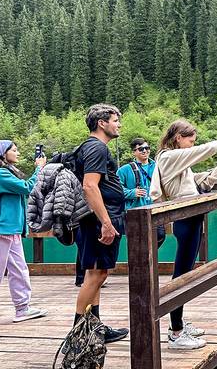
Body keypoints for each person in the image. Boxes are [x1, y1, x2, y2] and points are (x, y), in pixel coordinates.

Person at [150, 120, 217, 350]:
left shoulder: (178, 162)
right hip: (185, 220)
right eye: (190, 139)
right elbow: (205, 150)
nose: (193, 143)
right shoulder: (168, 157)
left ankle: (178, 322)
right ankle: (176, 332)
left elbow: (201, 184)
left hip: (192, 218)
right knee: (181, 275)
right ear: (178, 138)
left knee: (185, 273)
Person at [74, 104, 129, 343]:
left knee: (98, 272)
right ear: (102, 123)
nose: (119, 125)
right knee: (96, 274)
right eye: (115, 120)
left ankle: (94, 328)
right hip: (99, 220)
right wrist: (106, 222)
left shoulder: (92, 147)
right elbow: (89, 186)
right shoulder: (96, 148)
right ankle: (78, 335)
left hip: (99, 218)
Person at [0, 140, 48, 322]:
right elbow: (28, 187)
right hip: (3, 229)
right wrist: (39, 168)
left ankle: (22, 308)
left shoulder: (8, 173)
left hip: (10, 229)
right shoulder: (2, 174)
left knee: (19, 269)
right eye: (14, 150)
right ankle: (22, 307)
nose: (18, 152)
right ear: (3, 154)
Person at [116, 138, 166, 247]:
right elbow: (116, 189)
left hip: (155, 208)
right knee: (136, 240)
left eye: (147, 148)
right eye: (140, 149)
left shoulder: (158, 167)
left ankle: (148, 258)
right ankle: (142, 260)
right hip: (134, 211)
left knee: (160, 235)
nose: (145, 151)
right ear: (134, 152)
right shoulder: (124, 170)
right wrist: (132, 192)